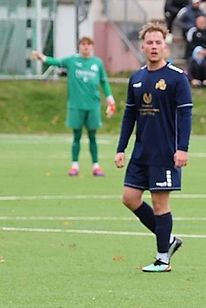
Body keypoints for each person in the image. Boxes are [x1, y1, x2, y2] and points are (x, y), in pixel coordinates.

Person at [114, 21, 192, 273]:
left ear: (165, 47)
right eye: (150, 42)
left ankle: (163, 258)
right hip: (141, 153)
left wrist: (182, 148)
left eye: (158, 42)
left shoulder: (177, 79)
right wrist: (121, 148)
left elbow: (185, 117)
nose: (154, 46)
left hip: (165, 152)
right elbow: (129, 117)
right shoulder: (136, 78)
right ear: (142, 46)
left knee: (160, 204)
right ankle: (167, 240)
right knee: (129, 198)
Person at [31, 37, 116, 176]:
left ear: (92, 47)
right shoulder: (72, 61)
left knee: (92, 136)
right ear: (79, 46)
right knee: (76, 136)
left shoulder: (97, 63)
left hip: (93, 105)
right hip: (76, 105)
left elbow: (103, 81)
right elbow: (57, 62)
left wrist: (109, 98)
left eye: (88, 44)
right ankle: (74, 166)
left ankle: (96, 166)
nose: (86, 47)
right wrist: (42, 57)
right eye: (83, 44)